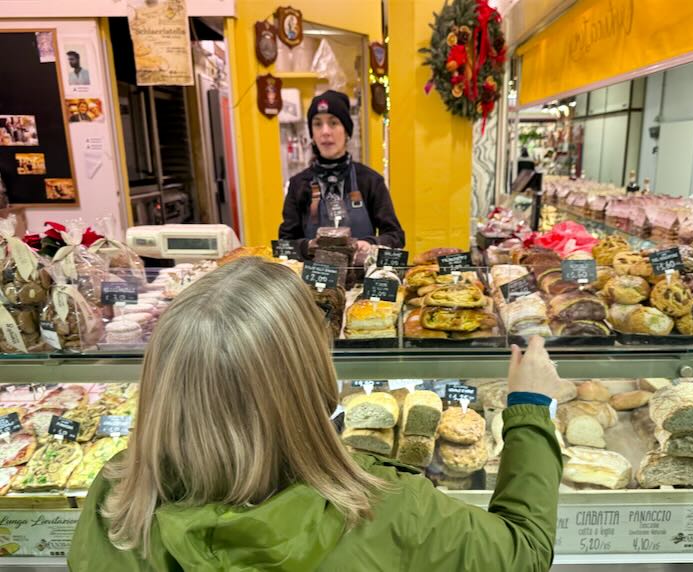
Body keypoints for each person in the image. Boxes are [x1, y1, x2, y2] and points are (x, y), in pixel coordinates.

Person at [68, 258, 563, 571]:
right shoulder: (392, 508)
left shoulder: (111, 506)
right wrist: (531, 409)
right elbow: (523, 552)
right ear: (312, 377)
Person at [279, 90, 404, 259]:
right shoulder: (298, 184)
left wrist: (370, 244)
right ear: (312, 135)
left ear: (347, 131)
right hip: (313, 281)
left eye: (333, 123)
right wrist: (307, 246)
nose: (325, 131)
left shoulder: (370, 180)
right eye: (317, 124)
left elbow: (396, 236)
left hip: (362, 281)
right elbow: (284, 244)